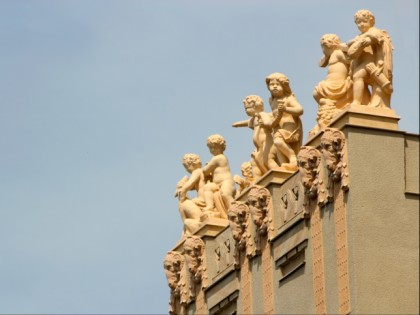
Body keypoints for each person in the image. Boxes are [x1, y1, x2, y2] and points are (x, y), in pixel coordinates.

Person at [345, 9, 393, 108]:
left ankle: (356, 102)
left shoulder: (373, 31)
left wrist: (369, 39)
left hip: (371, 64)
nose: (361, 24)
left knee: (358, 76)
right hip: (362, 63)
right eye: (358, 22)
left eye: (364, 21)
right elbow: (351, 51)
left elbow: (378, 37)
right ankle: (360, 101)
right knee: (356, 77)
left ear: (371, 22)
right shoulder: (358, 37)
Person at [310, 34, 352, 136]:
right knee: (316, 92)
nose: (323, 50)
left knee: (318, 92)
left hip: (337, 84)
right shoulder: (331, 55)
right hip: (329, 83)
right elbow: (321, 64)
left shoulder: (338, 53)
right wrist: (326, 55)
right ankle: (330, 105)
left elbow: (350, 60)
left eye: (324, 47)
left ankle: (332, 107)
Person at [232, 95, 279, 179]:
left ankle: (278, 174)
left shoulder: (262, 114)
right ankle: (264, 177)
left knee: (268, 159)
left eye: (247, 108)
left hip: (267, 141)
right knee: (256, 162)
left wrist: (265, 123)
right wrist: (238, 124)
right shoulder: (254, 119)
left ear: (256, 106)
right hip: (259, 145)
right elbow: (247, 122)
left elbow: (269, 121)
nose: (246, 111)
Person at [264, 73, 303, 171]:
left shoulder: (289, 98)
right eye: (271, 85)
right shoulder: (272, 101)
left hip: (290, 128)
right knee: (278, 152)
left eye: (277, 84)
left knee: (278, 142)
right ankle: (285, 167)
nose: (274, 87)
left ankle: (292, 157)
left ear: (284, 86)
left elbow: (300, 110)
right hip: (278, 128)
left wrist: (286, 109)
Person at [202, 134, 236, 217]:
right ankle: (210, 206)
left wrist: (206, 166)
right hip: (217, 184)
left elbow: (205, 171)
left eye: (214, 147)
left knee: (225, 194)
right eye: (210, 148)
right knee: (207, 188)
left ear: (222, 147)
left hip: (226, 182)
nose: (212, 150)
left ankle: (235, 210)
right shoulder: (215, 159)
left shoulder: (219, 158)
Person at [174, 153, 206, 235]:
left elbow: (190, 184)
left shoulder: (197, 171)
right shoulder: (201, 172)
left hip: (202, 202)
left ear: (190, 164)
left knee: (183, 203)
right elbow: (191, 185)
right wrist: (182, 185)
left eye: (186, 166)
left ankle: (188, 228)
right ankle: (187, 228)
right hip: (202, 201)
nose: (187, 169)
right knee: (184, 203)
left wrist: (182, 191)